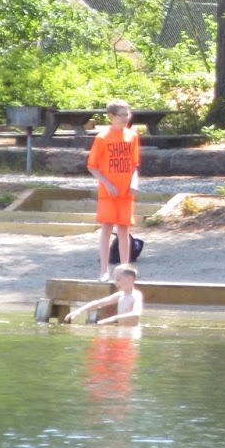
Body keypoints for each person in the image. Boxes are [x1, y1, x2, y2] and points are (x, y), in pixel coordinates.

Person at [87, 99, 140, 282]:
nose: (126, 118)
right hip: (108, 192)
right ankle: (104, 270)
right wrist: (107, 183)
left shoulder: (132, 136)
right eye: (122, 115)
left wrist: (134, 181)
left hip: (126, 191)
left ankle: (124, 270)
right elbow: (92, 166)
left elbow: (134, 164)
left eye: (128, 114)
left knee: (124, 230)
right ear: (112, 116)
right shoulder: (102, 138)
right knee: (107, 228)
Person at [64, 266, 143, 331]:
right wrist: (79, 310)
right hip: (121, 331)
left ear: (130, 279)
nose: (115, 282)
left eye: (118, 279)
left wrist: (113, 318)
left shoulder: (135, 295)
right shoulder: (120, 295)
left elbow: (136, 313)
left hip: (133, 332)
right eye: (114, 279)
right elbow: (98, 303)